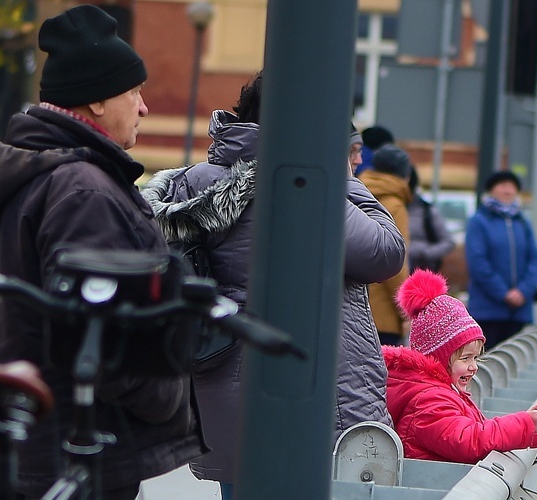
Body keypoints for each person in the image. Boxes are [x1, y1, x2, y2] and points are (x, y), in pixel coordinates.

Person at [0, 5, 205, 498]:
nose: (143, 107)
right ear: (97, 101)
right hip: (84, 442)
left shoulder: (51, 173)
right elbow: (98, 327)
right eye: (134, 91)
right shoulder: (83, 189)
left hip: (60, 438)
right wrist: (165, 394)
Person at [141, 74, 405, 499]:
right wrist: (342, 176)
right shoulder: (309, 182)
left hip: (223, 380)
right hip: (316, 388)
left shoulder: (196, 181)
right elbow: (383, 252)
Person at [382, 269, 537, 464]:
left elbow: (479, 431)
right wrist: (524, 425)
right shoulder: (427, 401)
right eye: (465, 358)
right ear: (437, 358)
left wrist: (533, 430)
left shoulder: (440, 392)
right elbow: (468, 441)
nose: (473, 367)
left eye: (475, 358)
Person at [465, 171, 537, 350]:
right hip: (488, 309)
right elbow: (478, 262)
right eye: (502, 186)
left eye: (512, 186)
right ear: (491, 190)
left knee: (513, 362)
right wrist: (503, 293)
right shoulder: (479, 221)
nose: (508, 190)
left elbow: (535, 260)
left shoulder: (522, 222)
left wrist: (523, 291)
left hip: (518, 312)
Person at [358, 144, 413, 345]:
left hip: (354, 309)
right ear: (405, 175)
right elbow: (395, 264)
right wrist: (405, 310)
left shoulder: (357, 194)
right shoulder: (395, 206)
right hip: (383, 315)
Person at [407, 166, 455, 272]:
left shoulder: (426, 210)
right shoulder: (386, 206)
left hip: (419, 271)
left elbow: (448, 242)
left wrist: (425, 253)